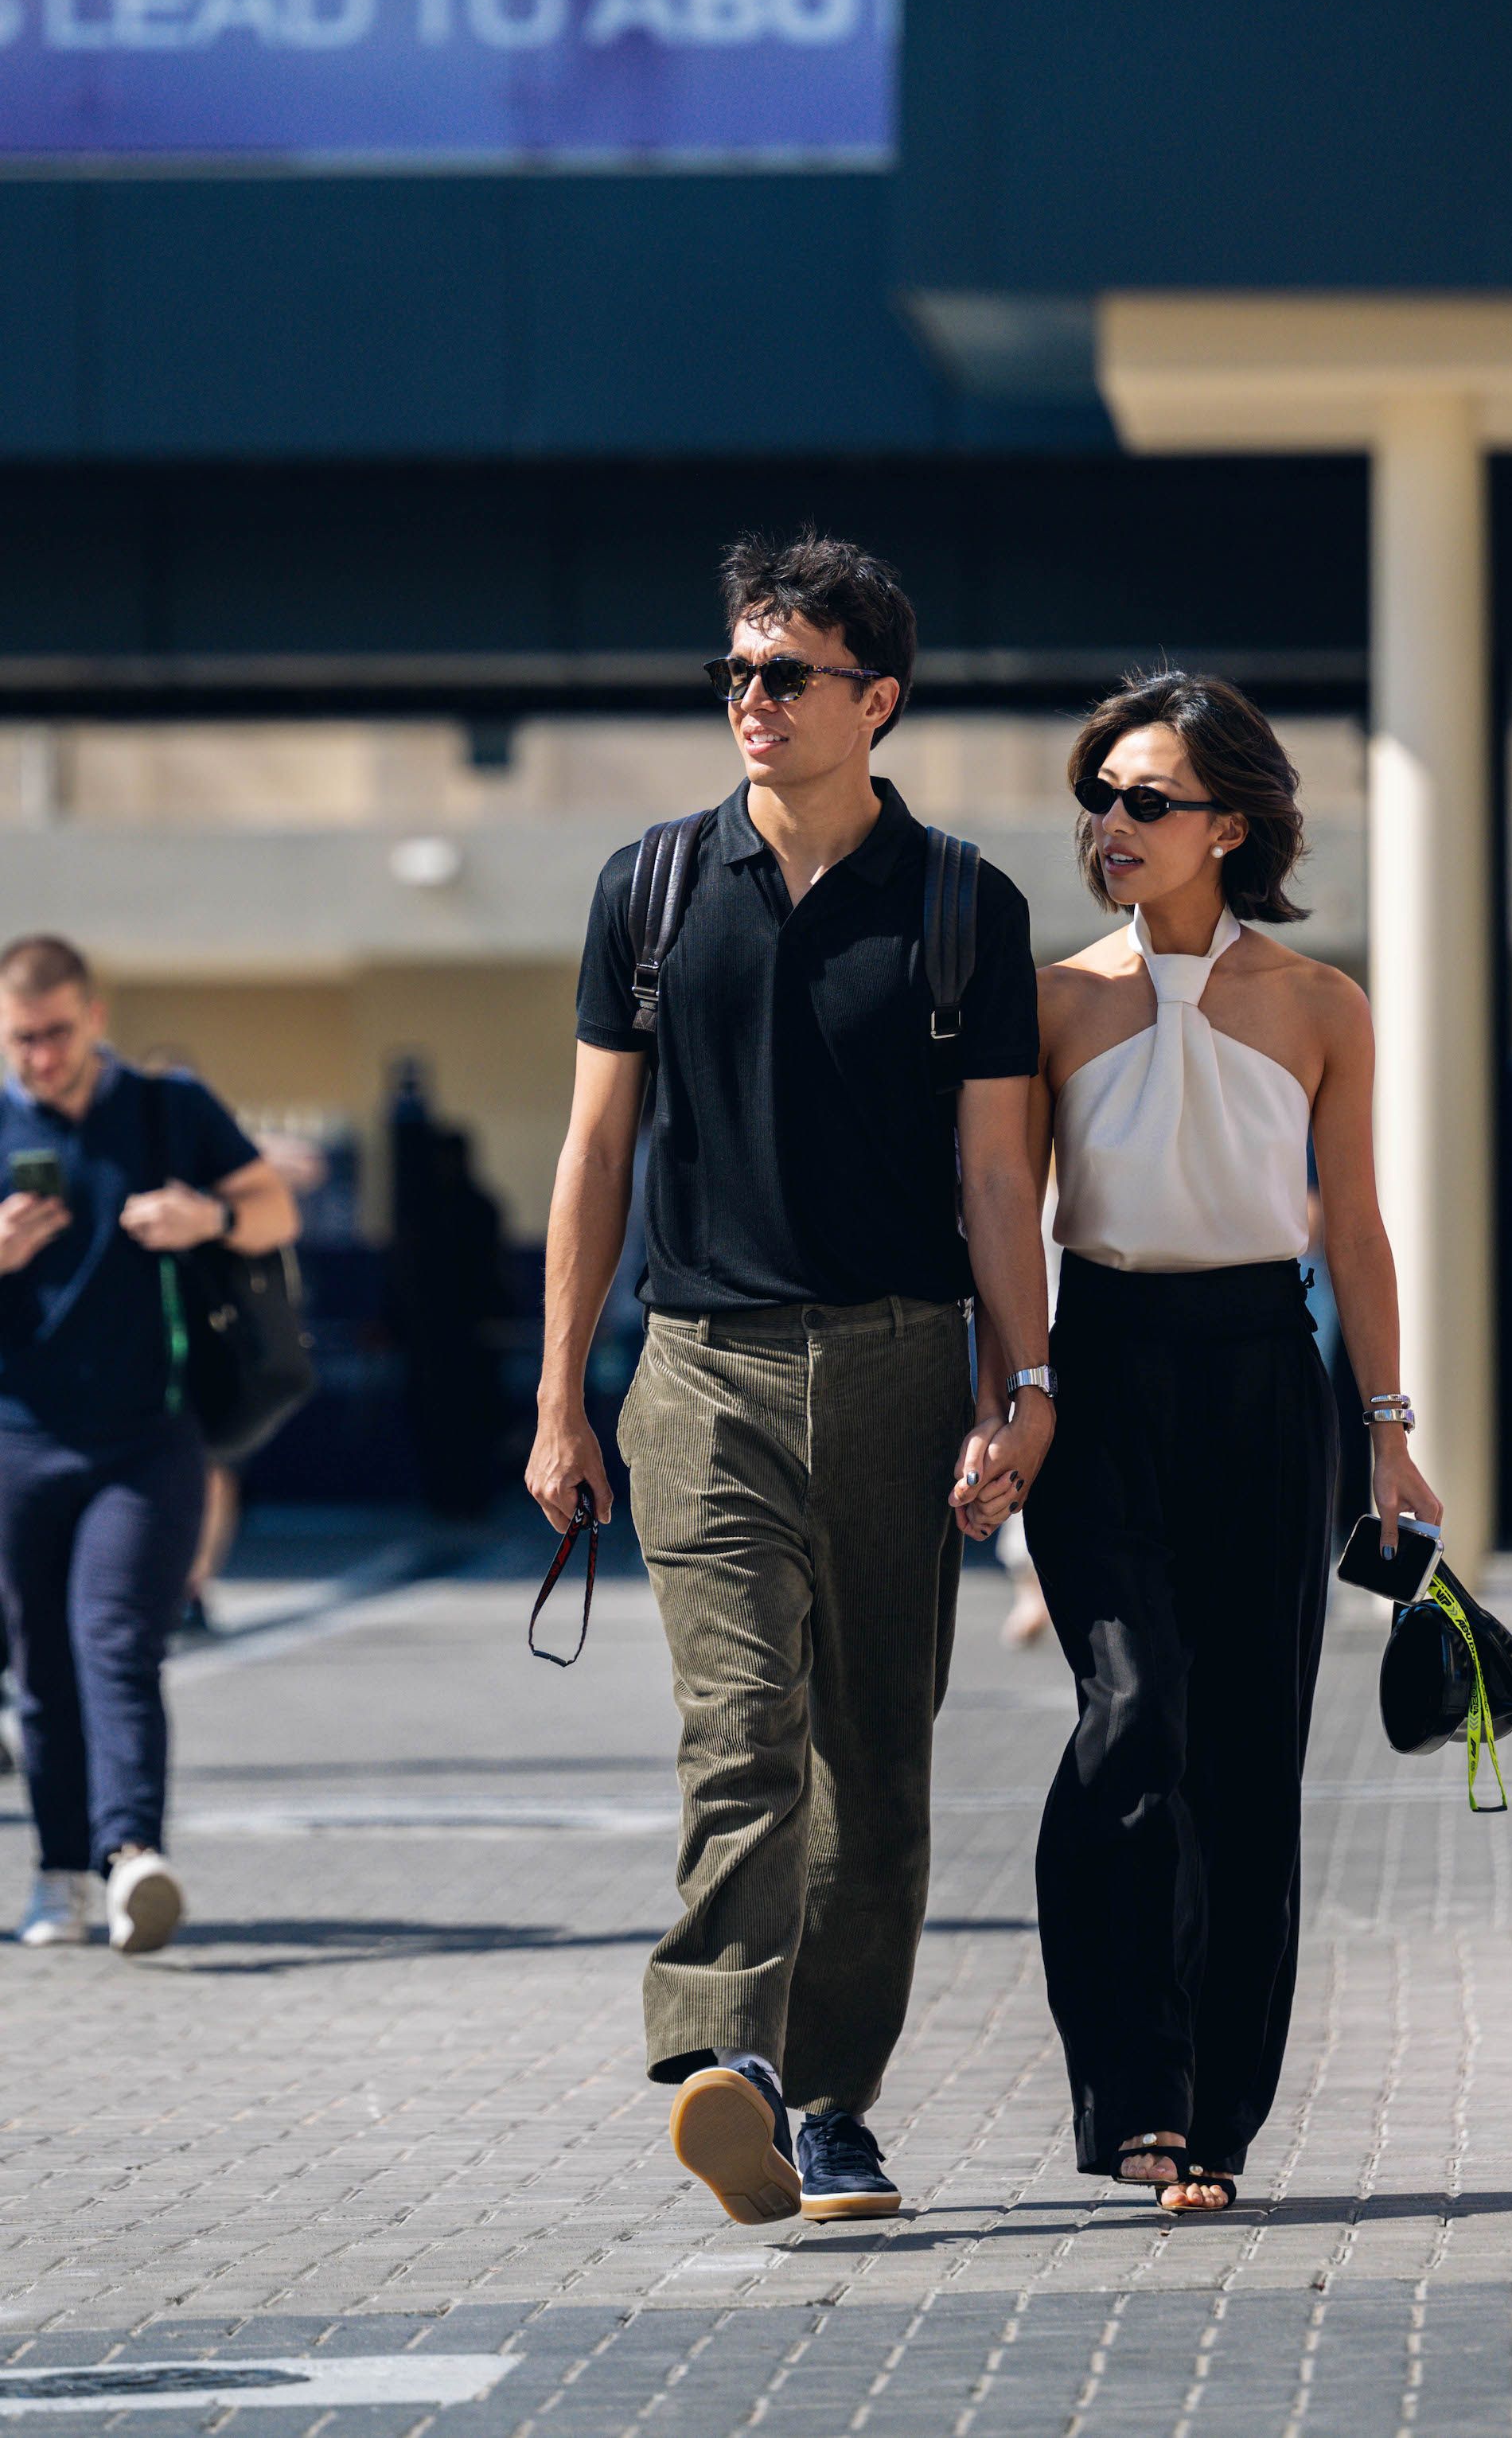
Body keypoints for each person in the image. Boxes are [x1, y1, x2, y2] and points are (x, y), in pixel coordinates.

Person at [527, 529, 1050, 2227]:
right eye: (734, 672)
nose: (749, 699)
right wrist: (559, 1399)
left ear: (873, 699)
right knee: (740, 1727)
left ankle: (830, 2106)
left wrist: (1016, 1384)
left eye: (786, 673)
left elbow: (995, 1177)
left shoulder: (965, 904)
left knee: (874, 1760)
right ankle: (718, 2057)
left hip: (903, 1365)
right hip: (701, 1371)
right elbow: (593, 1152)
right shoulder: (652, 886)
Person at [964, 672, 1439, 2216]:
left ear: (1227, 823)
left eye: (1145, 799)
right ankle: (1127, 2085)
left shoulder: (1317, 1003)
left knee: (1244, 1758)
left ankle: (1211, 2117)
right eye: (1096, 795)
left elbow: (1352, 1230)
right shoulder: (1046, 999)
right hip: (1099, 1371)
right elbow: (1000, 1223)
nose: (1111, 823)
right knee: (1130, 1707)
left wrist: (1387, 1432)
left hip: (1261, 1380)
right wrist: (1013, 1393)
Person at [0, 936, 298, 1951]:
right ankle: (58, 1874)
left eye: (54, 1033)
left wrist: (204, 1214)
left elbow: (274, 1207)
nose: (40, 1058)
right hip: (19, 1443)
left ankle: (131, 1859)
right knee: (43, 1669)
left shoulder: (167, 1107)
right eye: (20, 1040)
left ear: (93, 1015)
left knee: (116, 1642)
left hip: (148, 1439)